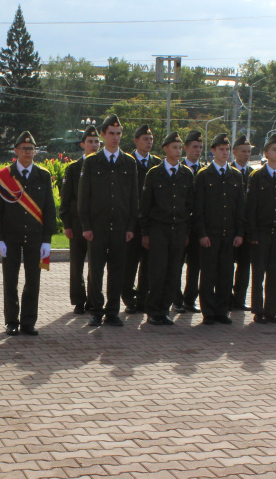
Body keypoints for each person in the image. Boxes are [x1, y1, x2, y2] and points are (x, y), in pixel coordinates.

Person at [0, 132, 56, 336]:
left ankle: (28, 321)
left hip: (35, 237)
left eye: (31, 149)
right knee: (10, 281)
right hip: (10, 237)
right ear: (16, 151)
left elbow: (49, 210)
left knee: (33, 280)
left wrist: (47, 240)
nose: (28, 152)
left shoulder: (43, 175)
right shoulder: (4, 176)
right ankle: (11, 321)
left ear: (35, 151)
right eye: (24, 148)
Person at [78, 114, 138, 327]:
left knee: (117, 271)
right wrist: (85, 226)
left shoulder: (128, 162)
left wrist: (131, 227)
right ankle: (96, 310)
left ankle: (113, 311)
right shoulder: (93, 161)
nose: (115, 137)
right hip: (97, 227)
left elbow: (133, 198)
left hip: (120, 227)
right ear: (103, 135)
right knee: (96, 271)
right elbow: (84, 197)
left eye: (119, 134)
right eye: (111, 134)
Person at [140, 132, 195, 325]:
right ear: (165, 149)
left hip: (178, 229)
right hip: (158, 229)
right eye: (174, 147)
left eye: (180, 148)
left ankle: (164, 310)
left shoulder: (186, 174)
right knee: (157, 271)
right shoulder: (155, 173)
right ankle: (153, 310)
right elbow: (145, 206)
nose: (178, 151)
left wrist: (187, 231)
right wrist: (145, 233)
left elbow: (190, 205)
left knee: (174, 271)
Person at [193, 134, 245, 325]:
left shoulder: (235, 175)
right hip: (210, 233)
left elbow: (240, 207)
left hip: (229, 233)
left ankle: (222, 310)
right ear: (213, 151)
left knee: (225, 274)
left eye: (227, 149)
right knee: (208, 275)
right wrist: (202, 233)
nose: (225, 153)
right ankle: (208, 312)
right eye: (221, 149)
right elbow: (198, 208)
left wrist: (240, 232)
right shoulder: (204, 175)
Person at [245, 136, 276, 324]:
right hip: (262, 230)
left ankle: (271, 310)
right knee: (259, 272)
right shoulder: (257, 176)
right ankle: (258, 310)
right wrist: (252, 232)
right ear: (266, 153)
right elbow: (251, 207)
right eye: (274, 149)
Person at [60, 126, 99, 315]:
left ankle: (93, 299)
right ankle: (78, 300)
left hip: (97, 224)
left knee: (96, 264)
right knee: (77, 265)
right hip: (76, 225)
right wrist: (67, 224)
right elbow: (65, 199)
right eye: (90, 142)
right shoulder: (74, 168)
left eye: (96, 142)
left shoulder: (102, 166)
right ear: (82, 144)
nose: (94, 145)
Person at [123, 125, 156, 313]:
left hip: (150, 222)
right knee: (130, 263)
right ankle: (128, 297)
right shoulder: (128, 162)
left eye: (151, 139)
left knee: (148, 264)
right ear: (136, 141)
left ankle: (143, 298)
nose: (149, 142)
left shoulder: (157, 163)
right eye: (145, 138)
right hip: (132, 222)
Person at [179, 130, 205, 312]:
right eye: (194, 147)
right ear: (185, 148)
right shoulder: (177, 169)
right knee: (176, 265)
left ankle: (190, 299)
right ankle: (175, 299)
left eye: (201, 147)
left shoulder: (205, 171)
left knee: (195, 266)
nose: (198, 150)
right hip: (180, 225)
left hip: (198, 225)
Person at [230, 135, 254, 310]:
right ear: (234, 152)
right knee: (226, 265)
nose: (246, 155)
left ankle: (240, 298)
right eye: (243, 151)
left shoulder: (254, 174)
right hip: (229, 227)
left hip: (247, 228)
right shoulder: (228, 171)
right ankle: (226, 297)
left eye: (249, 152)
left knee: (244, 266)